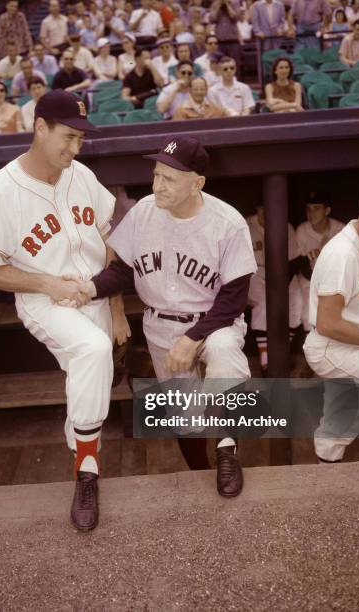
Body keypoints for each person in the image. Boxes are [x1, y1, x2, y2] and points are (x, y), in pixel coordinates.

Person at [0, 89, 125, 531]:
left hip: (93, 294)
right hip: (43, 301)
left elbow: (109, 241)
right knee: (92, 351)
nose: (76, 149)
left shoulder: (81, 175)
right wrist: (47, 283)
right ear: (40, 128)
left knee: (88, 374)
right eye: (68, 137)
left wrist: (115, 310)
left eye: (81, 139)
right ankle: (88, 474)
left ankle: (79, 449)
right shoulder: (0, 188)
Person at [78, 135, 258, 496]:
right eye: (157, 175)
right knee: (184, 414)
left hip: (213, 320)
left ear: (197, 183)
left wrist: (193, 339)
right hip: (160, 322)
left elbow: (234, 297)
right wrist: (89, 288)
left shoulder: (228, 222)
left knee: (224, 354)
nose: (158, 185)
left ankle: (226, 450)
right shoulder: (144, 211)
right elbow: (122, 270)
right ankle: (198, 473)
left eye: (170, 178)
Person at [303, 181, 359, 462]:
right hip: (330, 345)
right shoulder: (341, 253)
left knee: (343, 414)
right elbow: (327, 323)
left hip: (356, 339)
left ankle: (327, 465)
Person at [246, 204, 302, 374]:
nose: (266, 213)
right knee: (262, 302)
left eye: (269, 209)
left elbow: (294, 260)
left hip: (281, 273)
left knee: (297, 301)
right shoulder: (245, 225)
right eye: (261, 209)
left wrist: (280, 285)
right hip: (253, 271)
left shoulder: (286, 227)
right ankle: (265, 360)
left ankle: (281, 352)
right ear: (256, 210)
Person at [296, 191, 344, 333]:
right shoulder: (302, 231)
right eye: (308, 209)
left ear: (327, 210)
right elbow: (300, 265)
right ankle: (312, 351)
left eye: (317, 208)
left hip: (336, 280)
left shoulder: (340, 229)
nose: (311, 213)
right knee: (308, 312)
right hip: (309, 279)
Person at [209, 0, 242, 68]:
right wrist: (218, 6)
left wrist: (227, 5)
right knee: (220, 65)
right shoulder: (215, 4)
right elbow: (212, 19)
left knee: (235, 65)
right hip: (220, 42)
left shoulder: (234, 3)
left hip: (233, 41)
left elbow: (235, 17)